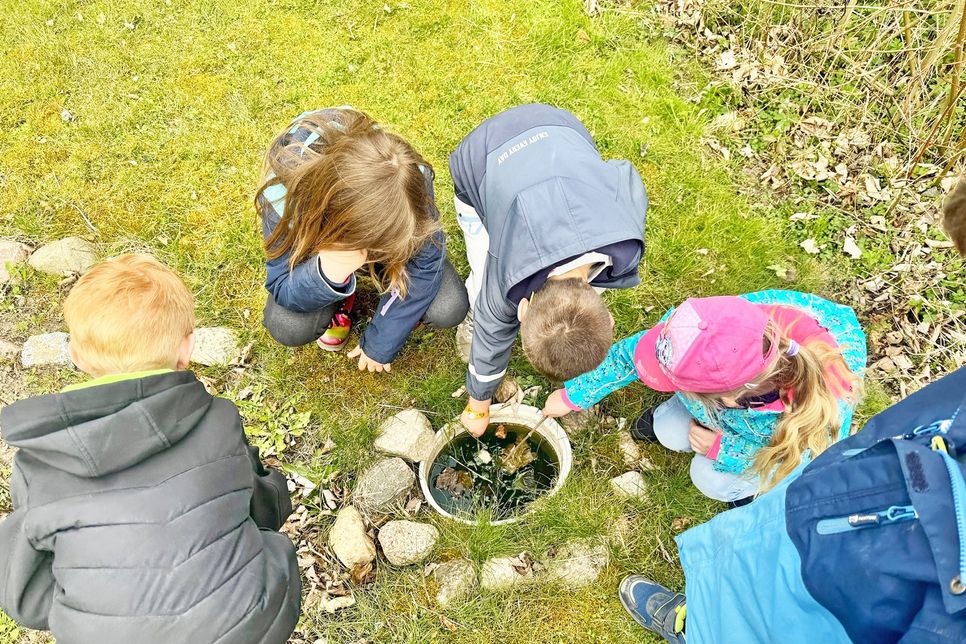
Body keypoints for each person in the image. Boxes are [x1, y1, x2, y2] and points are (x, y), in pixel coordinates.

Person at [0, 255, 300, 644]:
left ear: (75, 355)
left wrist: (85, 606)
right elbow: (262, 504)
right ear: (186, 348)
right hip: (243, 625)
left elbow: (21, 593)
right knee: (273, 550)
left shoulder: (39, 463)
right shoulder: (218, 421)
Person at [619, 363, 966, 644]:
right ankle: (702, 611)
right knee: (755, 563)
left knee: (770, 627)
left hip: (885, 612)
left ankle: (697, 631)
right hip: (852, 502)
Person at [544, 290, 867, 502]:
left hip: (760, 441)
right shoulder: (714, 327)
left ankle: (741, 494)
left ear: (724, 398)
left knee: (709, 478)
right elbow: (632, 355)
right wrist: (574, 396)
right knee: (670, 431)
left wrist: (722, 448)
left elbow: (792, 462)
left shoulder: (818, 416)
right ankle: (679, 418)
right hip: (729, 399)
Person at [449, 103, 648, 435]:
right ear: (522, 308)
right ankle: (472, 305)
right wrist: (478, 405)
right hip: (483, 156)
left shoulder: (625, 241)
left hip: (560, 129)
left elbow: (624, 173)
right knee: (482, 272)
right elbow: (492, 328)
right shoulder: (505, 268)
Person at [258, 107, 469, 372]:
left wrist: (382, 339)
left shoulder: (406, 179)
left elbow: (427, 263)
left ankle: (389, 292)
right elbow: (281, 282)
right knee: (289, 326)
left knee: (449, 307)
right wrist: (326, 273)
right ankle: (340, 292)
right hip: (324, 243)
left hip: (354, 231)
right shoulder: (283, 196)